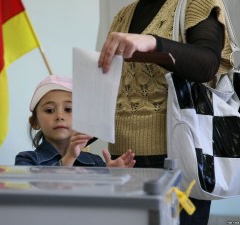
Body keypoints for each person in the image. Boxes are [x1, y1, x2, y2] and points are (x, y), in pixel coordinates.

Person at [98, 0, 232, 224]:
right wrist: (83, 128)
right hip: (121, 159)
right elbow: (118, 88)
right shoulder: (123, 15)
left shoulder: (196, 3)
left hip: (177, 156)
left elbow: (208, 63)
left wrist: (152, 42)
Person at [15, 75, 136, 168]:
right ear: (34, 122)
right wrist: (68, 159)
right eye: (50, 110)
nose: (59, 116)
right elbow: (34, 195)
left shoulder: (96, 162)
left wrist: (111, 178)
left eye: (68, 109)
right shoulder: (26, 160)